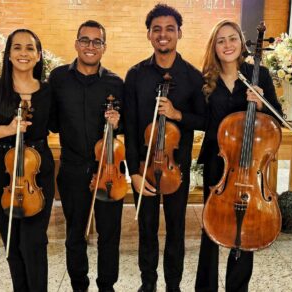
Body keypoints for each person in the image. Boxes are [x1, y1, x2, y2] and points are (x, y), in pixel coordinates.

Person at [194, 20, 283, 292]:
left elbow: (278, 118)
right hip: (218, 164)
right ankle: (205, 288)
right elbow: (200, 119)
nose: (227, 45)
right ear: (214, 47)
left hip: (251, 165)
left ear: (242, 44)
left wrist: (262, 105)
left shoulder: (259, 74)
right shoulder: (206, 80)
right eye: (221, 40)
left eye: (232, 39)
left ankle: (237, 288)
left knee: (247, 228)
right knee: (212, 229)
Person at [123, 4, 206, 292]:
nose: (163, 35)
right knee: (146, 229)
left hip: (176, 169)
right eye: (157, 29)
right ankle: (148, 283)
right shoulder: (135, 75)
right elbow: (131, 128)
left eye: (170, 29)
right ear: (148, 35)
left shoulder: (194, 77)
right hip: (143, 168)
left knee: (176, 230)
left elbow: (206, 120)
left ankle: (173, 285)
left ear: (179, 33)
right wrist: (133, 172)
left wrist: (178, 115)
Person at [0, 29, 55, 292]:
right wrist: (6, 129)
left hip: (37, 172)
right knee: (12, 242)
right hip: (1, 171)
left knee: (34, 242)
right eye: (17, 48)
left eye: (30, 48)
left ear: (39, 56)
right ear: (8, 54)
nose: (23, 53)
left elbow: (63, 123)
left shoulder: (48, 91)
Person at [48, 20, 124, 292]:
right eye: (85, 40)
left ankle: (107, 286)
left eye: (97, 41)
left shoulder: (116, 82)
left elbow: (126, 124)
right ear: (76, 43)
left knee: (109, 235)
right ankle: (79, 286)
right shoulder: (58, 78)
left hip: (108, 169)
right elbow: (53, 123)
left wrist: (117, 122)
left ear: (104, 46)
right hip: (71, 169)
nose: (90, 46)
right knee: (74, 234)